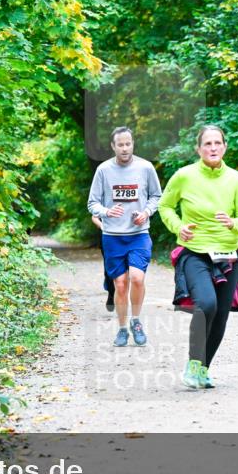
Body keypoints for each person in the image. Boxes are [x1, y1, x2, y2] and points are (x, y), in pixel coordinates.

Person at [159, 125, 238, 389]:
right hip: (195, 253)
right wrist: (179, 227)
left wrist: (233, 223)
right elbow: (165, 206)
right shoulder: (184, 176)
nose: (213, 148)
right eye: (207, 144)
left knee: (221, 315)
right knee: (206, 304)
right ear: (198, 149)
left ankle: (202, 369)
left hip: (228, 256)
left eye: (217, 143)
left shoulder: (236, 179)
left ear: (225, 147)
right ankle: (193, 363)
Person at [87, 127, 162, 346]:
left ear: (133, 144)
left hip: (139, 234)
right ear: (113, 146)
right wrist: (106, 212)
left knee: (137, 278)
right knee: (120, 284)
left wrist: (146, 212)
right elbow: (92, 203)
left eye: (128, 144)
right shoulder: (103, 170)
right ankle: (122, 329)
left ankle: (136, 321)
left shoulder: (145, 167)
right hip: (112, 236)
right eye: (120, 145)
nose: (125, 148)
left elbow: (156, 196)